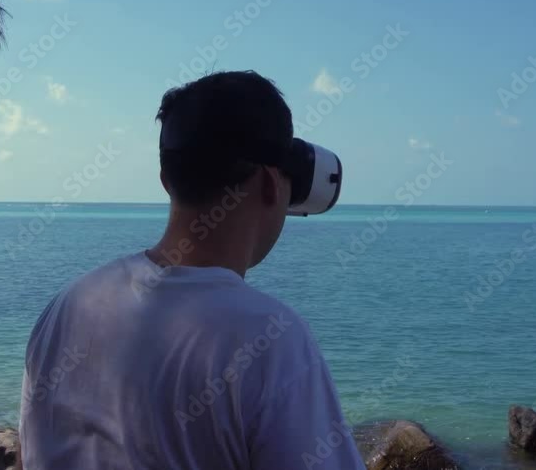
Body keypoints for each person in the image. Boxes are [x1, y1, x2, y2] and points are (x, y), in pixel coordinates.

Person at [19, 70, 364, 469]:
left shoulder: (66, 307)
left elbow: (28, 456)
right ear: (272, 183)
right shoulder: (271, 340)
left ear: (167, 180)